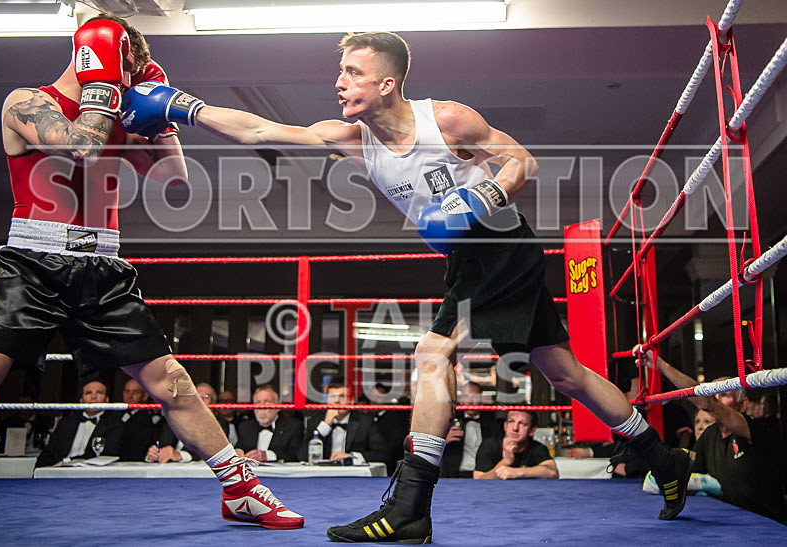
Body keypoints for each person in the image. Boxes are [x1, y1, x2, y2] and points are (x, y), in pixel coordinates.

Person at [121, 31, 692, 541]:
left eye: (353, 72)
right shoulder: (352, 137)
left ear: (387, 81)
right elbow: (262, 127)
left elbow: (521, 160)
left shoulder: (446, 120)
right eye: (341, 71)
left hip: (498, 246)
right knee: (564, 372)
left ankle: (410, 506)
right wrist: (185, 106)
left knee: (431, 353)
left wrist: (480, 197)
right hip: (468, 262)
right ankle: (662, 458)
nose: (339, 82)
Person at [0, 15, 301, 529]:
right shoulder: (28, 102)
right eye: (127, 69)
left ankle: (240, 489)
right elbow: (81, 148)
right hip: (33, 263)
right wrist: (104, 86)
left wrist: (159, 112)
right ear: (104, 58)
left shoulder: (117, 113)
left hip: (104, 267)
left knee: (170, 380)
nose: (131, 82)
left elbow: (172, 176)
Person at [636, 347, 787, 524]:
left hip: (771, 524)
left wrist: (660, 364)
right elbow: (688, 471)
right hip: (733, 523)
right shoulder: (709, 435)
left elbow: (707, 402)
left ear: (743, 404)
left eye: (723, 394)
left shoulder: (754, 429)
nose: (716, 399)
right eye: (713, 394)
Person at [35, 380, 123, 467]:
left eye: (99, 393)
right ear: (81, 400)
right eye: (88, 393)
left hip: (90, 474)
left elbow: (107, 455)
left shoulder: (115, 424)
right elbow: (49, 452)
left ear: (107, 399)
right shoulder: (66, 423)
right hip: (59, 472)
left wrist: (67, 462)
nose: (93, 397)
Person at [298, 382, 389, 465]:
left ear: (352, 400)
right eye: (332, 396)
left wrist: (351, 457)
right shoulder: (315, 421)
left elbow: (382, 454)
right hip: (321, 475)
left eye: (342, 396)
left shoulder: (365, 421)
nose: (337, 401)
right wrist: (325, 426)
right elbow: (301, 456)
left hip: (354, 476)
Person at [473, 409, 558, 480]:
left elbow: (553, 472)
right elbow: (478, 479)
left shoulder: (537, 448)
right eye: (511, 421)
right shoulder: (490, 445)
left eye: (522, 423)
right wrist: (506, 462)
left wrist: (517, 472)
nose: (515, 428)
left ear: (532, 430)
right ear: (505, 426)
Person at [440, 382, 501, 478]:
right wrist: (444, 441)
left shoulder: (493, 423)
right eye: (466, 397)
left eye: (475, 397)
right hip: (456, 475)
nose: (470, 402)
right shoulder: (449, 421)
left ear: (481, 399)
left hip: (485, 475)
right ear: (461, 400)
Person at [237, 385, 304, 462]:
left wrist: (268, 456)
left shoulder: (293, 426)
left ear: (278, 406)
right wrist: (238, 452)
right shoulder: (245, 427)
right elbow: (239, 447)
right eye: (258, 402)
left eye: (267, 402)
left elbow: (297, 456)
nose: (262, 407)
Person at [117, 378, 162, 461]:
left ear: (145, 396)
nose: (130, 396)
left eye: (136, 392)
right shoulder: (113, 415)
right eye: (127, 392)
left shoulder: (147, 419)